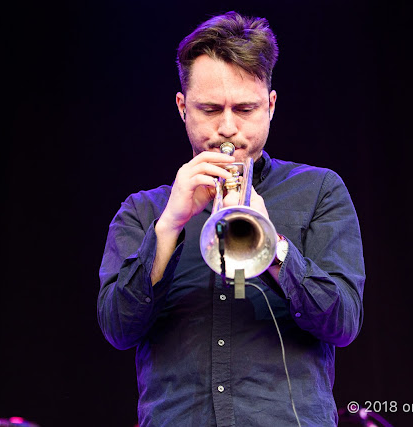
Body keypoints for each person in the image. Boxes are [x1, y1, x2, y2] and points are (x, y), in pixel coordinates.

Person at [98, 11, 365, 426]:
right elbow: (117, 328)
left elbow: (344, 323)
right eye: (209, 108)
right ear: (182, 107)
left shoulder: (320, 190)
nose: (227, 128)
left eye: (245, 108)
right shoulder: (144, 210)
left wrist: (274, 248)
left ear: (271, 106)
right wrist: (168, 228)